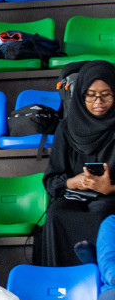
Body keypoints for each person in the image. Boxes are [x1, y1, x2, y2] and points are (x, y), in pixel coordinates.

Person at [36, 61, 115, 267]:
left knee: (103, 209)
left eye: (106, 94)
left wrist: (110, 187)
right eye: (91, 94)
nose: (98, 101)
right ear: (80, 95)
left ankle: (98, 270)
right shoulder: (67, 128)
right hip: (76, 194)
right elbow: (52, 180)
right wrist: (74, 182)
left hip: (111, 198)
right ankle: (64, 279)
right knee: (56, 213)